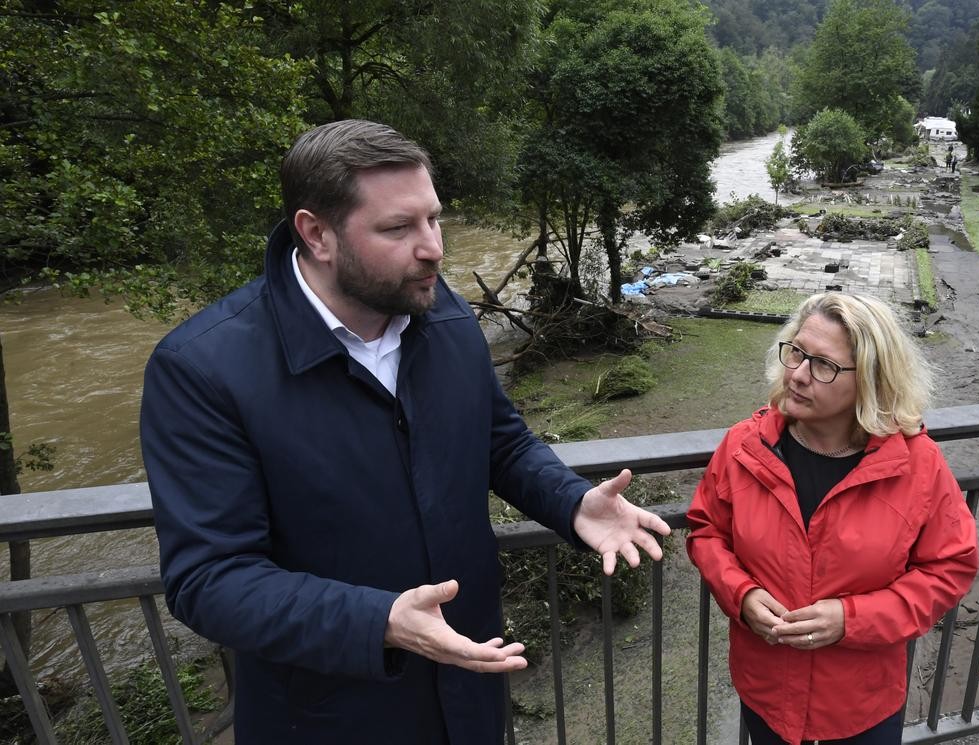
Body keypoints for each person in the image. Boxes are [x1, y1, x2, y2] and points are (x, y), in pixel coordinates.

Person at [140, 119, 671, 744]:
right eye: (398, 228)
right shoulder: (201, 369)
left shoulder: (437, 307)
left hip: (469, 695)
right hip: (327, 719)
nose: (434, 249)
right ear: (316, 234)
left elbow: (499, 439)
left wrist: (571, 501)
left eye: (434, 219)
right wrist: (381, 620)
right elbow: (209, 579)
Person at [686, 292, 978, 744]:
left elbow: (948, 568)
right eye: (796, 352)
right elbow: (707, 532)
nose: (798, 375)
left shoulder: (916, 464)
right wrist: (741, 595)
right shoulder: (745, 446)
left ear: (871, 379)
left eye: (823, 365)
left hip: (862, 705)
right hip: (768, 694)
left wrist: (851, 618)